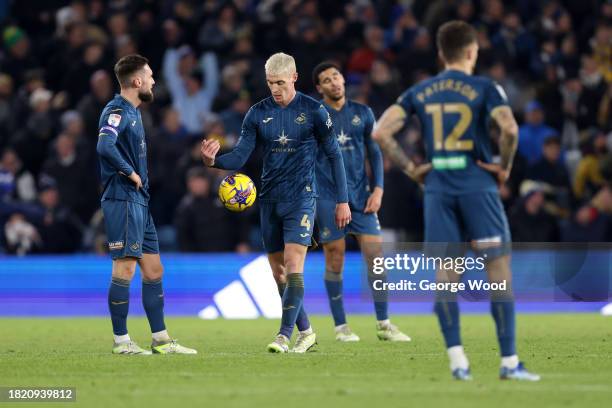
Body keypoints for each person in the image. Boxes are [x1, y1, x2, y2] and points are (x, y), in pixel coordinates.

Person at [373, 21, 540, 381]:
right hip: (477, 185)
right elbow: (510, 128)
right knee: (498, 275)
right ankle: (509, 363)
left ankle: (458, 362)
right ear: (470, 52)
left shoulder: (420, 91)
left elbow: (381, 132)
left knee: (446, 280)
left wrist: (412, 168)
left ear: (440, 54)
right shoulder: (485, 87)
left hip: (437, 189)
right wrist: (504, 167)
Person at [201, 53, 351, 353]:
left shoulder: (314, 111)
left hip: (302, 197)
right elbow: (241, 156)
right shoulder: (257, 113)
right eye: (270, 83)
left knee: (294, 265)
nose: (275, 89)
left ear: (294, 77)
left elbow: (334, 155)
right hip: (269, 199)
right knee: (278, 273)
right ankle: (306, 331)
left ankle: (283, 335)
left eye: (280, 82)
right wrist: (214, 160)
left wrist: (342, 201)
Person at [96, 54, 196, 355]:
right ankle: (121, 340)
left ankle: (161, 339)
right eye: (150, 75)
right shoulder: (116, 110)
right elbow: (104, 145)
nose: (154, 81)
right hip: (123, 198)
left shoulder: (136, 113)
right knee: (124, 268)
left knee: (154, 270)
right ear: (137, 81)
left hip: (140, 201)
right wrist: (130, 172)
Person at [312, 61, 410, 342]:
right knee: (335, 256)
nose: (335, 82)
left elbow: (375, 153)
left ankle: (384, 323)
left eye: (337, 76)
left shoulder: (362, 113)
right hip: (329, 197)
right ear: (319, 88)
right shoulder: (316, 116)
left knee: (376, 258)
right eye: (327, 80)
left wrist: (378, 189)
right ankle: (341, 327)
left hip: (361, 196)